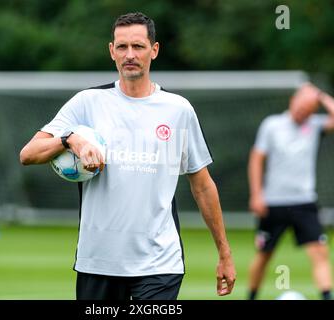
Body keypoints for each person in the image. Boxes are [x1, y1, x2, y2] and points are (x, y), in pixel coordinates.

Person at [20, 12, 236, 300]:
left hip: (160, 263)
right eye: (122, 47)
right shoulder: (89, 103)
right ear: (112, 51)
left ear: (154, 50)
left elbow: (203, 185)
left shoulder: (178, 110)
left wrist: (224, 253)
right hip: (97, 261)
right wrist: (70, 140)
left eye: (138, 46)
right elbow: (28, 154)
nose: (130, 55)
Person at [247, 83, 334, 300]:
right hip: (274, 202)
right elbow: (257, 159)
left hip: (304, 201)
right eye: (300, 107)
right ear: (292, 101)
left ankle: (327, 296)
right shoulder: (272, 125)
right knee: (264, 254)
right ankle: (251, 296)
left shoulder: (314, 125)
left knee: (319, 252)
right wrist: (257, 194)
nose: (302, 112)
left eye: (308, 110)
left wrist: (321, 96)